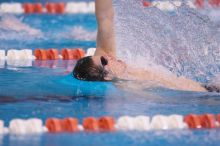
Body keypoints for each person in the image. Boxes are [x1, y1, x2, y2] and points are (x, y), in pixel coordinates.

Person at [73, 0, 215, 92]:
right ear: (108, 76)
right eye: (104, 61)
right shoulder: (133, 87)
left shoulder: (110, 58)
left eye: (101, 56)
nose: (108, 56)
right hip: (205, 92)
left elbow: (105, 16)